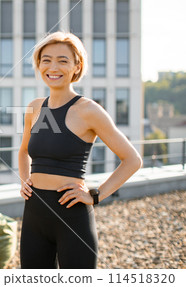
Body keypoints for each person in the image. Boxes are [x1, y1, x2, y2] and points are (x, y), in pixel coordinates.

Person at [18, 31, 142, 269]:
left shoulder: (89, 110)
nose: (53, 67)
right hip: (34, 213)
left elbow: (132, 160)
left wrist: (96, 195)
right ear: (38, 65)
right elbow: (24, 151)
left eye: (63, 60)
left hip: (72, 217)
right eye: (46, 59)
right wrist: (24, 180)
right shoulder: (34, 108)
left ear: (77, 66)